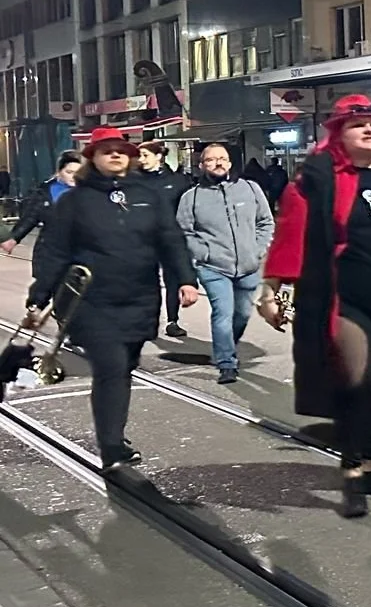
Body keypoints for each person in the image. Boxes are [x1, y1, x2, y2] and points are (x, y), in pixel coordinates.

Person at [261, 94, 371, 519]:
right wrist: (272, 291)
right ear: (339, 134)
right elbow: (290, 236)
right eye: (358, 125)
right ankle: (353, 468)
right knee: (357, 379)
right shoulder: (317, 179)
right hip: (343, 300)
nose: (370, 129)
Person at [23, 128, 199, 476]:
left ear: (131, 157)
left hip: (139, 298)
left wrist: (186, 280)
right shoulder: (74, 201)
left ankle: (113, 435)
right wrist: (38, 297)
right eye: (107, 151)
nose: (116, 155)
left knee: (125, 366)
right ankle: (111, 446)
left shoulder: (148, 195)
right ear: (92, 158)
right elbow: (55, 251)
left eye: (121, 150)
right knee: (112, 367)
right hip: (92, 302)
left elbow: (171, 240)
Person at [175, 143, 274, 385]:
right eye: (211, 160)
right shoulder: (192, 197)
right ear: (202, 165)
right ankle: (226, 363)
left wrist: (258, 248)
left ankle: (227, 346)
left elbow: (266, 222)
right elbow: (184, 232)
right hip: (213, 267)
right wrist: (204, 253)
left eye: (223, 159)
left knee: (242, 314)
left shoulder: (250, 189)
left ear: (230, 163)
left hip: (249, 265)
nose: (218, 163)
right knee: (223, 313)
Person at [132, 141, 194, 338]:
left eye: (145, 155)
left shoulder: (178, 181)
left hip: (170, 239)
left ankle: (172, 321)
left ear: (159, 156)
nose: (141, 160)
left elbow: (189, 209)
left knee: (173, 281)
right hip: (142, 239)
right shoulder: (133, 181)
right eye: (139, 156)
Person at [3, 151, 82, 253]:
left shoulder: (90, 190)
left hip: (81, 249)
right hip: (52, 249)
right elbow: (31, 216)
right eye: (69, 172)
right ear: (59, 172)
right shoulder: (45, 191)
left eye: (78, 173)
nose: (74, 177)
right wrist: (13, 239)